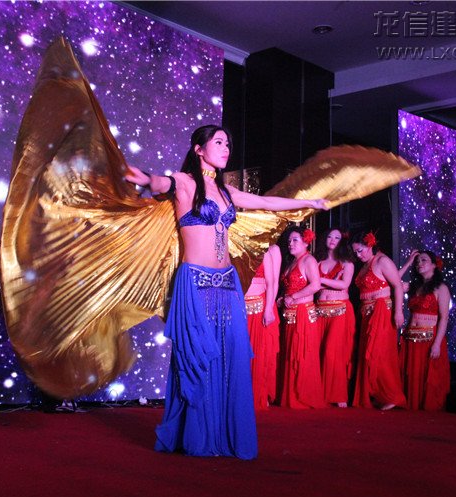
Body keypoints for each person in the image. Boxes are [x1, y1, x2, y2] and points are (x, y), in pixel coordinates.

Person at [125, 125, 327, 459]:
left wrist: (309, 202)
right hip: (196, 283)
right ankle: (196, 435)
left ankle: (224, 433)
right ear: (198, 149)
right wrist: (145, 178)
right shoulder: (185, 182)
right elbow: (159, 183)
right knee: (199, 359)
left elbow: (265, 202)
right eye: (218, 142)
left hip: (227, 284)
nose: (226, 148)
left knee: (229, 356)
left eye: (228, 144)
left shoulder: (227, 192)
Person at [350, 231, 407, 410]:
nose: (358, 255)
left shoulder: (382, 261)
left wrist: (399, 312)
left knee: (380, 353)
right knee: (368, 354)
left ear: (370, 245)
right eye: (355, 252)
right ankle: (379, 393)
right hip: (367, 314)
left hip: (381, 311)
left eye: (360, 251)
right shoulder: (365, 264)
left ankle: (393, 395)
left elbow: (397, 286)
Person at [277, 225, 326, 409]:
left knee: (302, 353)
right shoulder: (292, 262)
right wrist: (283, 298)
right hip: (290, 314)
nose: (291, 243)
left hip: (303, 314)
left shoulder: (309, 260)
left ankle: (303, 395)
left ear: (306, 242)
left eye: (295, 240)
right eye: (289, 240)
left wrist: (293, 297)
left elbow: (315, 285)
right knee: (290, 353)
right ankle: (291, 394)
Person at [398, 250, 451, 410]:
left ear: (434, 265)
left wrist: (437, 344)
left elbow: (444, 318)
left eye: (423, 260)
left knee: (427, 380)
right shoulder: (414, 287)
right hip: (411, 340)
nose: (419, 263)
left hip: (429, 340)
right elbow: (394, 281)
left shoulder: (441, 288)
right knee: (411, 377)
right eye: (417, 261)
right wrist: (408, 262)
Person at [315, 228, 356, 408]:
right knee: (319, 351)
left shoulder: (347, 263)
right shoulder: (318, 262)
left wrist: (321, 280)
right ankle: (320, 394)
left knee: (333, 352)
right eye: (330, 236)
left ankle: (339, 395)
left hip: (340, 311)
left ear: (342, 241)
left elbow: (344, 284)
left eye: (337, 237)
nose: (332, 240)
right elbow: (312, 285)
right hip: (319, 310)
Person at [244, 243, 282, 411]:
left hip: (259, 307)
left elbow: (272, 282)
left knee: (257, 352)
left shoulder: (265, 252)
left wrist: (268, 309)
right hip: (240, 308)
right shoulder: (236, 249)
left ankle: (258, 394)